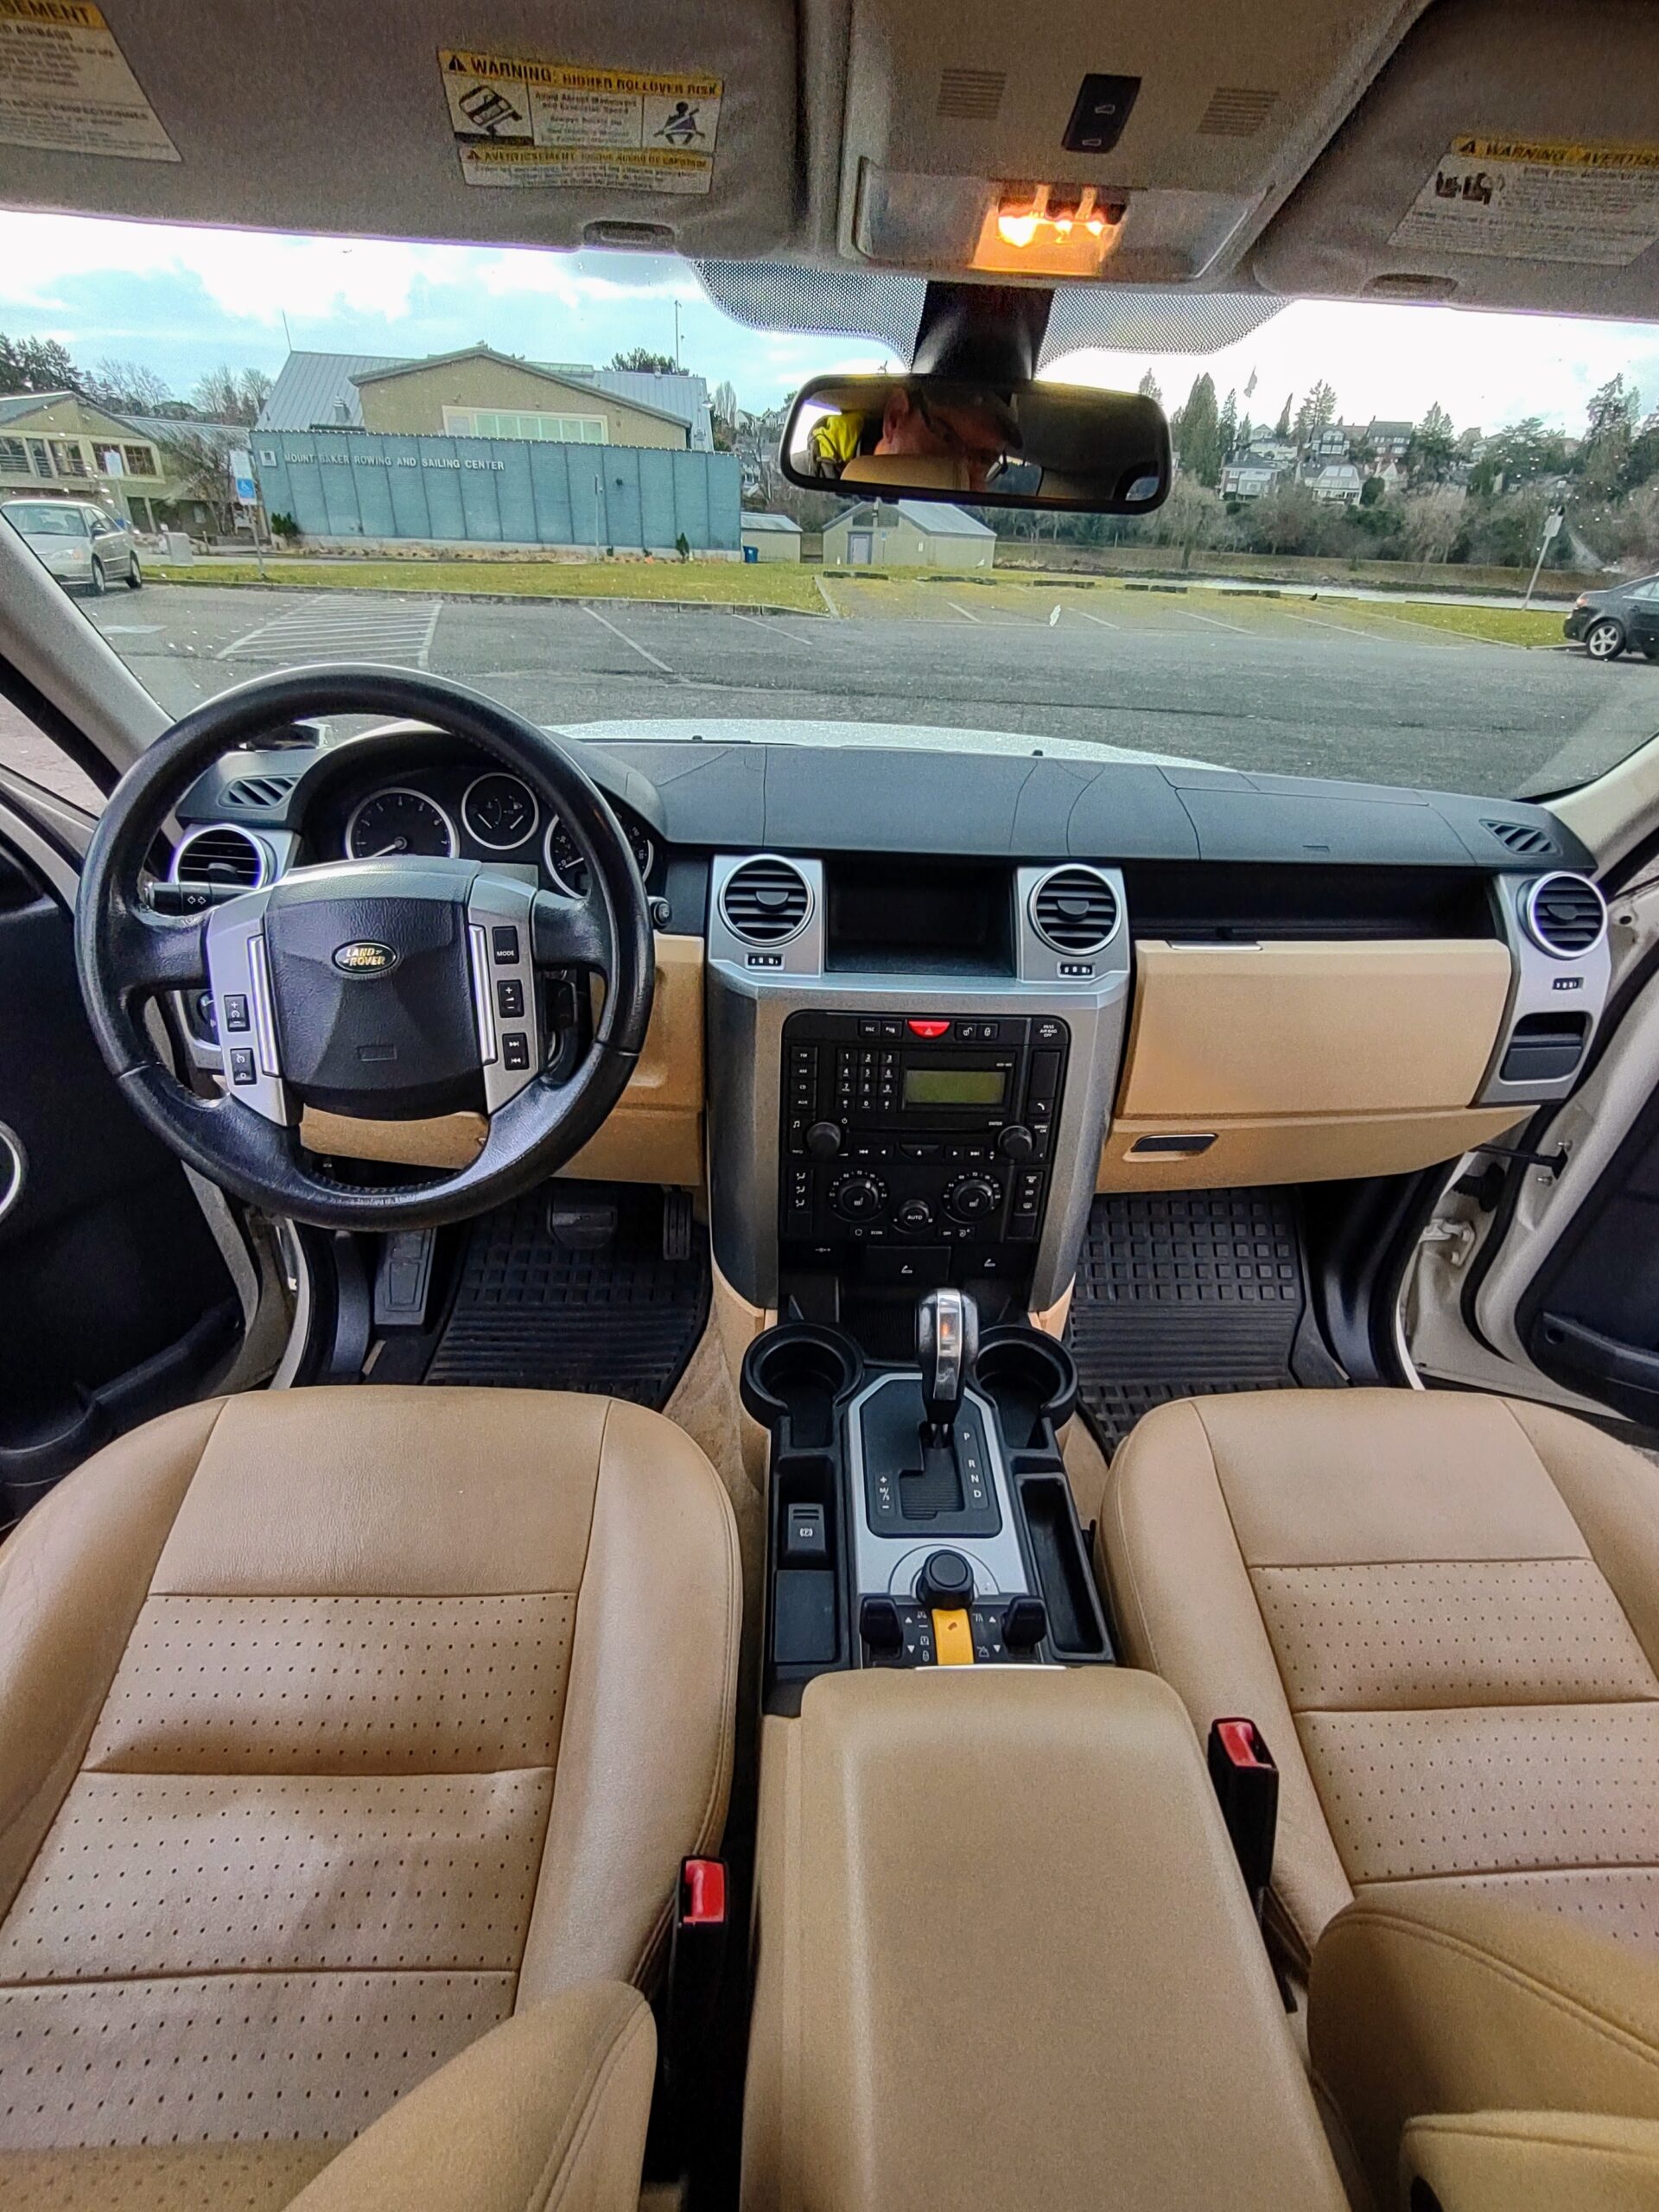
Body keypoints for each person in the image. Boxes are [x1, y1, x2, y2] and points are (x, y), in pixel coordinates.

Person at [801, 383, 1019, 492]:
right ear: (895, 418)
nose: (962, 474)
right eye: (947, 439)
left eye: (984, 459)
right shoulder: (805, 475)